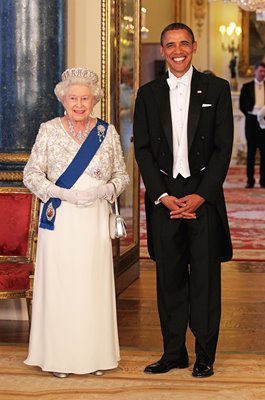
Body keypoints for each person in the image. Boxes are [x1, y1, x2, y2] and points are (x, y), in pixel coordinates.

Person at [133, 23, 233, 378]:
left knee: (205, 280)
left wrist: (201, 195)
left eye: (184, 44)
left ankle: (205, 355)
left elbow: (223, 150)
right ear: (162, 49)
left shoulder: (217, 89)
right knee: (169, 279)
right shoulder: (147, 94)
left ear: (193, 46)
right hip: (164, 197)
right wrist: (162, 195)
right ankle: (173, 352)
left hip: (202, 196)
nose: (178, 50)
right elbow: (142, 149)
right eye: (170, 45)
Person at [23, 67, 129, 378]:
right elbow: (31, 174)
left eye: (85, 98)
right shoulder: (49, 130)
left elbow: (121, 175)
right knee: (62, 287)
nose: (79, 104)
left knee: (91, 286)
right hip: (61, 219)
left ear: (94, 100)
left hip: (94, 218)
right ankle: (60, 357)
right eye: (73, 98)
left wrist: (104, 190)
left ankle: (95, 356)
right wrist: (56, 192)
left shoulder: (106, 133)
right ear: (63, 99)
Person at [239, 61, 265, 188]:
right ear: (255, 71)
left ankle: (263, 180)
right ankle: (250, 180)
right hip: (251, 122)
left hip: (264, 122)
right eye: (260, 71)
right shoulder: (247, 86)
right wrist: (251, 115)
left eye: (264, 71)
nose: (262, 73)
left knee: (264, 152)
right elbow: (242, 105)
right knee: (251, 152)